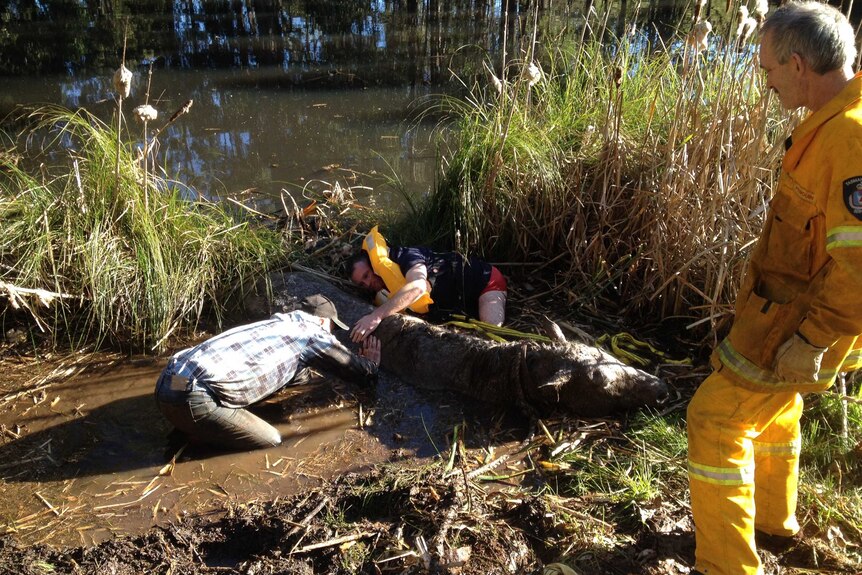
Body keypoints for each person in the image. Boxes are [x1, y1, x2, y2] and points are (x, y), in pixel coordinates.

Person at [686, 3, 862, 574]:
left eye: (768, 68)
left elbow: (859, 265)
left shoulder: (848, 139)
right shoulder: (833, 121)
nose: (764, 79)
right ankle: (772, 523)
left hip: (804, 320)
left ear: (797, 62)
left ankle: (726, 566)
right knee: (776, 410)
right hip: (785, 312)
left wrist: (811, 339)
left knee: (715, 417)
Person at [154, 294, 381, 450]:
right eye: (332, 329)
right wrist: (370, 364)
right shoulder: (312, 333)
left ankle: (189, 428)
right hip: (193, 396)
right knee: (271, 440)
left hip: (170, 380)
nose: (332, 334)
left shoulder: (276, 324)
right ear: (323, 321)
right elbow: (357, 372)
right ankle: (198, 435)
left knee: (209, 404)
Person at [346, 226, 507, 342]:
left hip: (485, 283)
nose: (368, 283)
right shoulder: (380, 291)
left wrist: (376, 316)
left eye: (367, 275)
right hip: (459, 304)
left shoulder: (408, 256)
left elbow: (418, 286)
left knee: (490, 337)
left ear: (374, 265)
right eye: (362, 283)